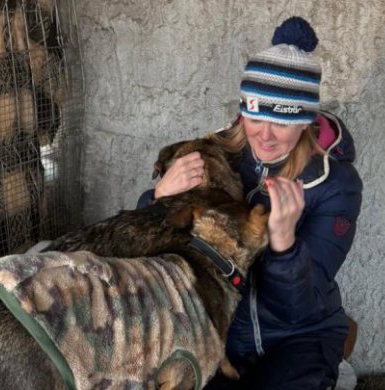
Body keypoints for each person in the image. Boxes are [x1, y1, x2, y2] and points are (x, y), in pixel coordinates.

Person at [137, 16, 362, 389]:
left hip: (299, 336)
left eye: (283, 124)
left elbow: (298, 308)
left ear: (305, 122)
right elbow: (153, 246)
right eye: (256, 117)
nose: (267, 136)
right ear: (244, 111)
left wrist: (284, 245)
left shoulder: (336, 184)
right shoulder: (214, 156)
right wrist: (158, 197)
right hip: (217, 326)